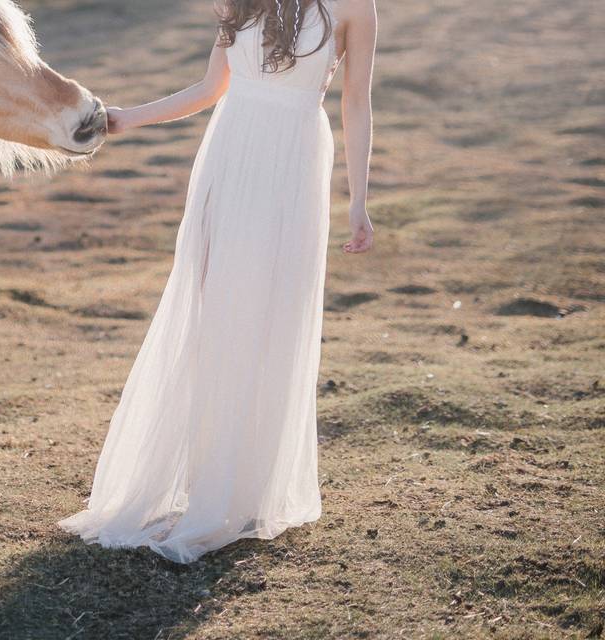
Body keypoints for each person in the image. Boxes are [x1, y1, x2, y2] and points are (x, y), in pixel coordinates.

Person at [60, 0, 377, 563]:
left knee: (271, 314)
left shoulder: (356, 7)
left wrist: (358, 203)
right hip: (231, 150)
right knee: (213, 311)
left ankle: (244, 490)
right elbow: (211, 88)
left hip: (297, 158)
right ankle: (201, 481)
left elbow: (356, 101)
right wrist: (127, 117)